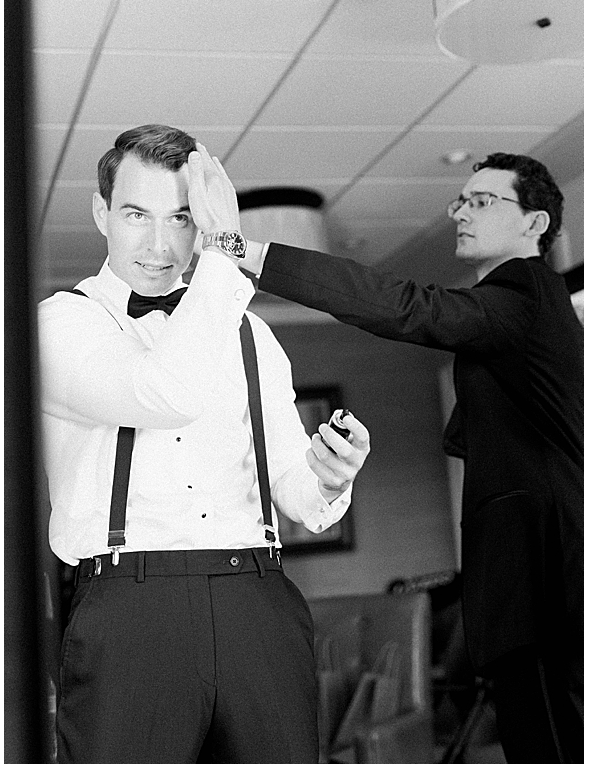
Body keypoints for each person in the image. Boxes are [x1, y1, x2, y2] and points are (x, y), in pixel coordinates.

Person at [191, 151, 584, 764]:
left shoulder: (525, 289)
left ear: (535, 225)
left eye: (483, 201)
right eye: (462, 200)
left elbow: (408, 305)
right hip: (531, 573)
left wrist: (240, 247)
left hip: (541, 578)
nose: (462, 212)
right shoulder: (519, 311)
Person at [38, 124, 370, 764]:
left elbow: (297, 493)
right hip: (129, 609)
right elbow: (165, 393)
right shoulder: (59, 325)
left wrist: (330, 476)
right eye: (137, 215)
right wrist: (223, 249)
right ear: (102, 214)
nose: (161, 244)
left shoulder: (253, 336)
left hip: (259, 602)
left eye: (184, 219)